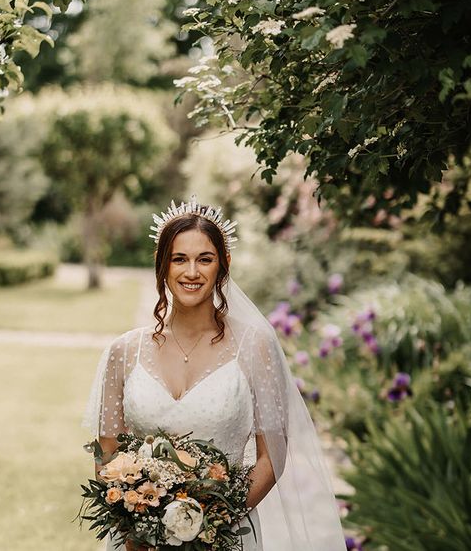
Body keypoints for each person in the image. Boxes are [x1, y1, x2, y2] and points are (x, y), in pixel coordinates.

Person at [83, 196, 346, 550]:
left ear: (223, 265)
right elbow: (107, 453)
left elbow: (272, 456)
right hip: (138, 543)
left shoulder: (254, 348)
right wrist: (136, 528)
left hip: (222, 538)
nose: (192, 272)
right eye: (179, 259)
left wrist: (209, 525)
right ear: (162, 265)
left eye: (204, 259)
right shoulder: (123, 352)